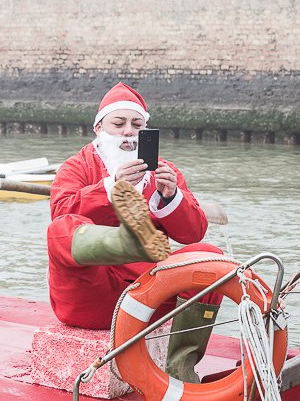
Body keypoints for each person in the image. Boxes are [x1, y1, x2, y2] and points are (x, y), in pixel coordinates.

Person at [47, 82, 224, 383]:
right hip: (93, 296)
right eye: (119, 124)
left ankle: (180, 368)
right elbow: (61, 213)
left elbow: (194, 232)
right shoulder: (77, 166)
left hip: (149, 297)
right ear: (98, 128)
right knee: (59, 230)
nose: (128, 132)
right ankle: (131, 242)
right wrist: (111, 188)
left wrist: (171, 199)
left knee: (210, 258)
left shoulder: (164, 171)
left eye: (136, 124)